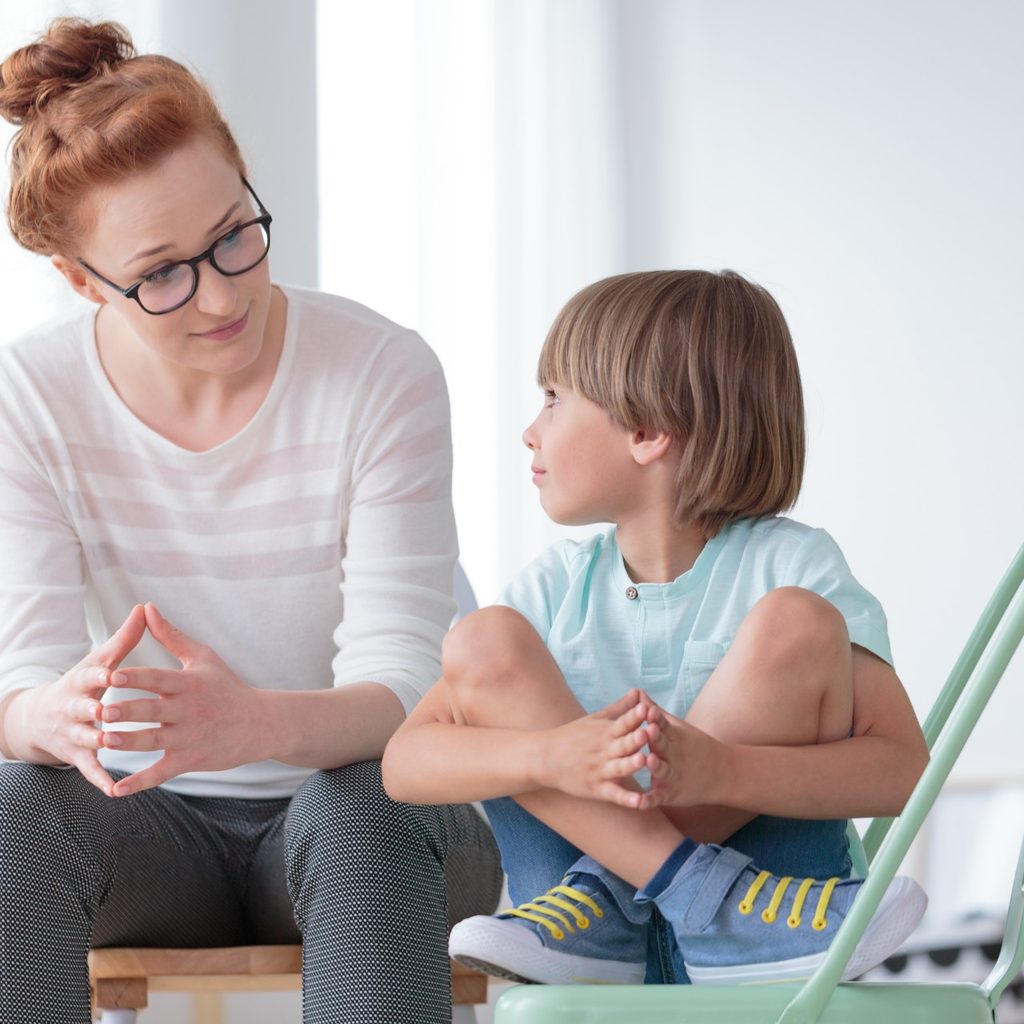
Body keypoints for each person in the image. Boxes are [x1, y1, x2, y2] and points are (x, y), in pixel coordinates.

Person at [0, 17, 501, 1024]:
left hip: (374, 820)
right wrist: (49, 714)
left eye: (234, 235)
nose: (220, 293)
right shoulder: (31, 394)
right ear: (78, 280)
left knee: (363, 798)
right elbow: (20, 685)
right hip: (154, 831)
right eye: (161, 274)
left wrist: (257, 723)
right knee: (15, 812)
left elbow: (405, 685)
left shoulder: (379, 371)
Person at [381, 269, 930, 986]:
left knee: (795, 622)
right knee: (482, 639)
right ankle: (673, 902)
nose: (531, 429)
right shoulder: (549, 593)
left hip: (778, 938)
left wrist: (726, 768)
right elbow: (404, 764)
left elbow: (902, 774)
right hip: (585, 946)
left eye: (554, 399)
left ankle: (631, 899)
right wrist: (553, 756)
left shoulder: (794, 570)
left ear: (646, 431)